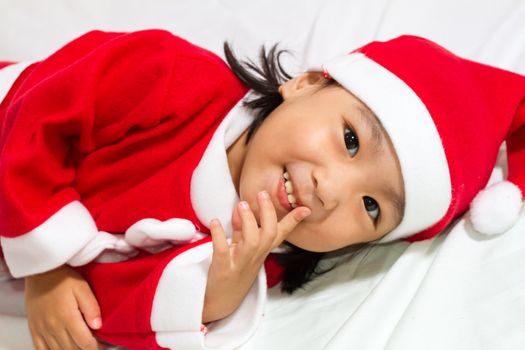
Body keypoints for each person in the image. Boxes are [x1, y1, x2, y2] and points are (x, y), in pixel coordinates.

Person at [0, 30, 524, 349]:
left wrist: (211, 296)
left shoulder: (256, 262)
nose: (330, 191)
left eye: (371, 207)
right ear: (309, 83)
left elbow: (91, 318)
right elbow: (39, 108)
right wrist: (48, 263)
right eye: (349, 139)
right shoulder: (175, 79)